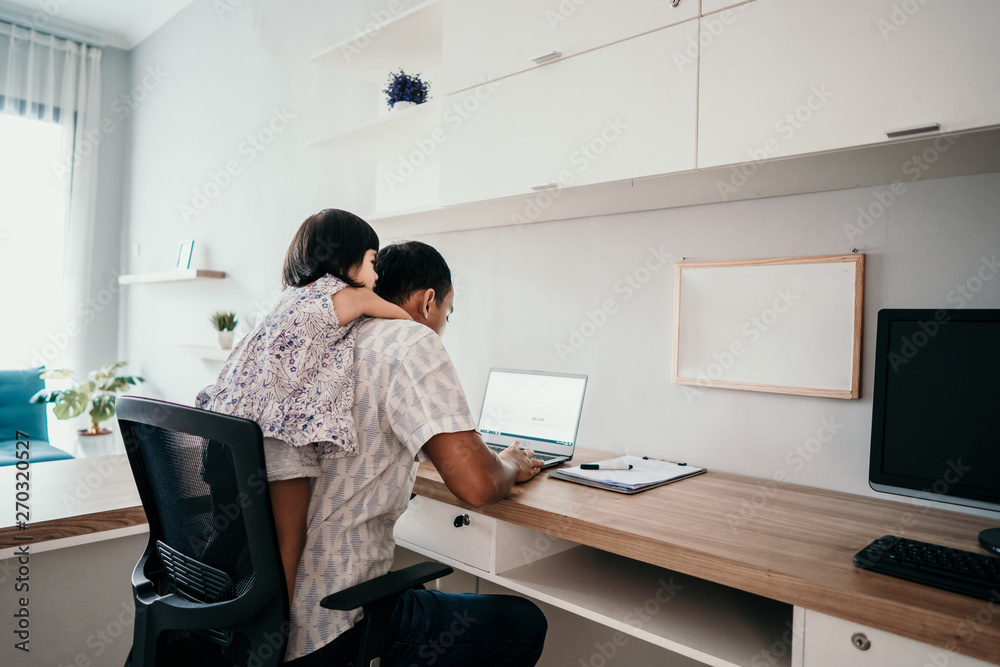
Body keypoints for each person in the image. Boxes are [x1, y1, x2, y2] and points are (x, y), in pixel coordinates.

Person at [273, 239, 548, 666]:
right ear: (428, 301)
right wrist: (510, 462)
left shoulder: (328, 336)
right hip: (335, 621)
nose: (442, 325)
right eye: (447, 313)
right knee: (522, 623)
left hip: (269, 615)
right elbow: (476, 485)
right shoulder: (409, 339)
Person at [198, 208, 412, 596]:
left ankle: (227, 619)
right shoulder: (346, 295)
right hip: (282, 436)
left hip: (227, 432)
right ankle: (276, 635)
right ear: (346, 259)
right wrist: (422, 327)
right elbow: (402, 323)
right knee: (287, 545)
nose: (377, 276)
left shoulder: (285, 301)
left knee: (233, 541)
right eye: (372, 262)